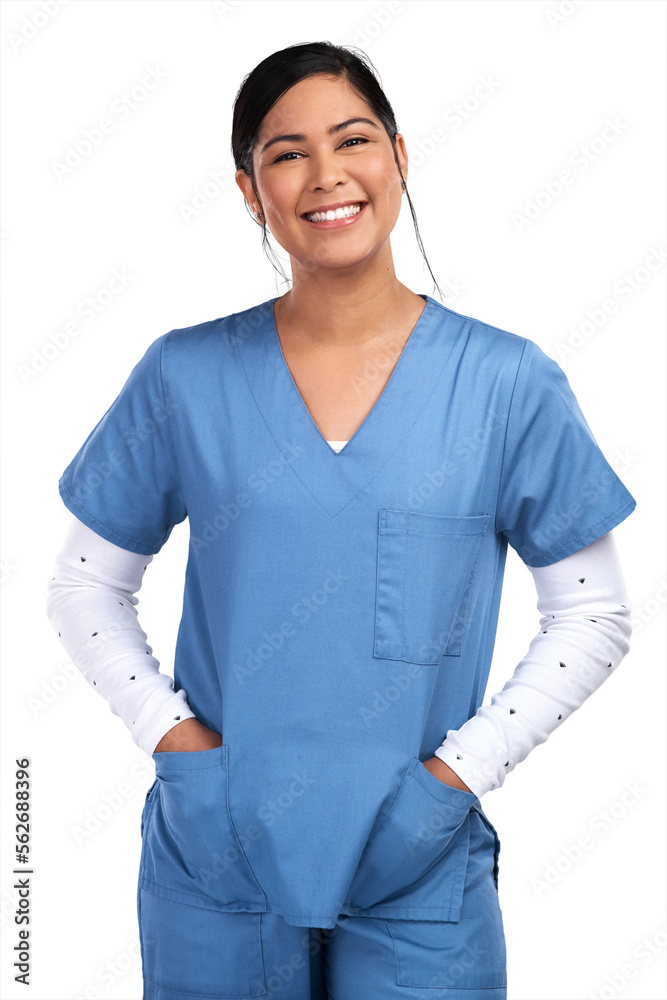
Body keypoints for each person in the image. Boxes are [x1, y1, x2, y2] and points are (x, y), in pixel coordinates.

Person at [46, 41, 636, 1000]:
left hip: (417, 865)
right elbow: (84, 586)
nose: (326, 175)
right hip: (219, 860)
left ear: (399, 157)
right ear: (250, 191)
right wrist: (178, 746)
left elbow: (593, 612)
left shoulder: (503, 383)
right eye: (286, 153)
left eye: (352, 140)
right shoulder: (186, 376)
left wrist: (454, 778)